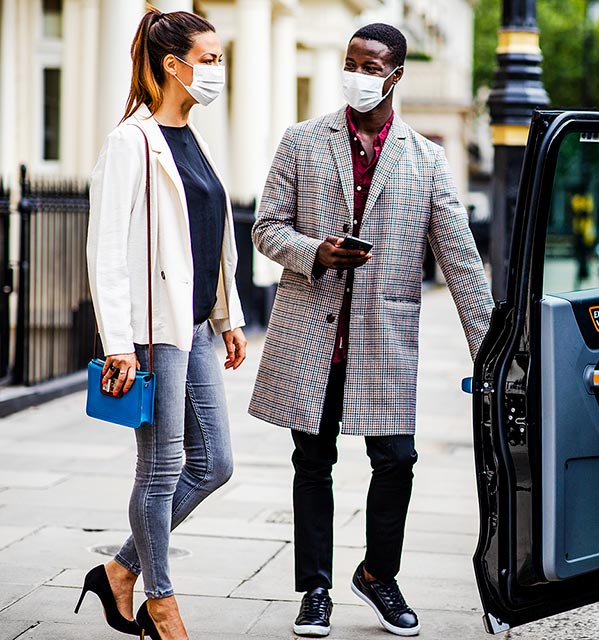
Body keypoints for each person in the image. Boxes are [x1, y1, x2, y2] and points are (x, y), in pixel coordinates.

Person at [249, 23, 493, 638]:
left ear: (396, 74)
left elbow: (460, 259)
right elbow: (265, 228)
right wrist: (316, 252)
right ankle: (316, 590)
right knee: (312, 461)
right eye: (351, 62)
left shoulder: (427, 158)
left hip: (384, 343)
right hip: (313, 339)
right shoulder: (303, 142)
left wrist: (491, 351)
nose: (358, 73)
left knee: (397, 460)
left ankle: (378, 576)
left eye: (371, 64)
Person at [80, 8, 246, 640]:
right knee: (163, 467)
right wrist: (118, 344)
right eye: (209, 59)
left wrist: (226, 316)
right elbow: (107, 250)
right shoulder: (131, 142)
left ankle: (119, 570)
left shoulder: (196, 136)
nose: (217, 71)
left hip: (197, 324)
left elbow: (209, 236)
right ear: (173, 65)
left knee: (216, 464)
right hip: (153, 330)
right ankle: (162, 600)